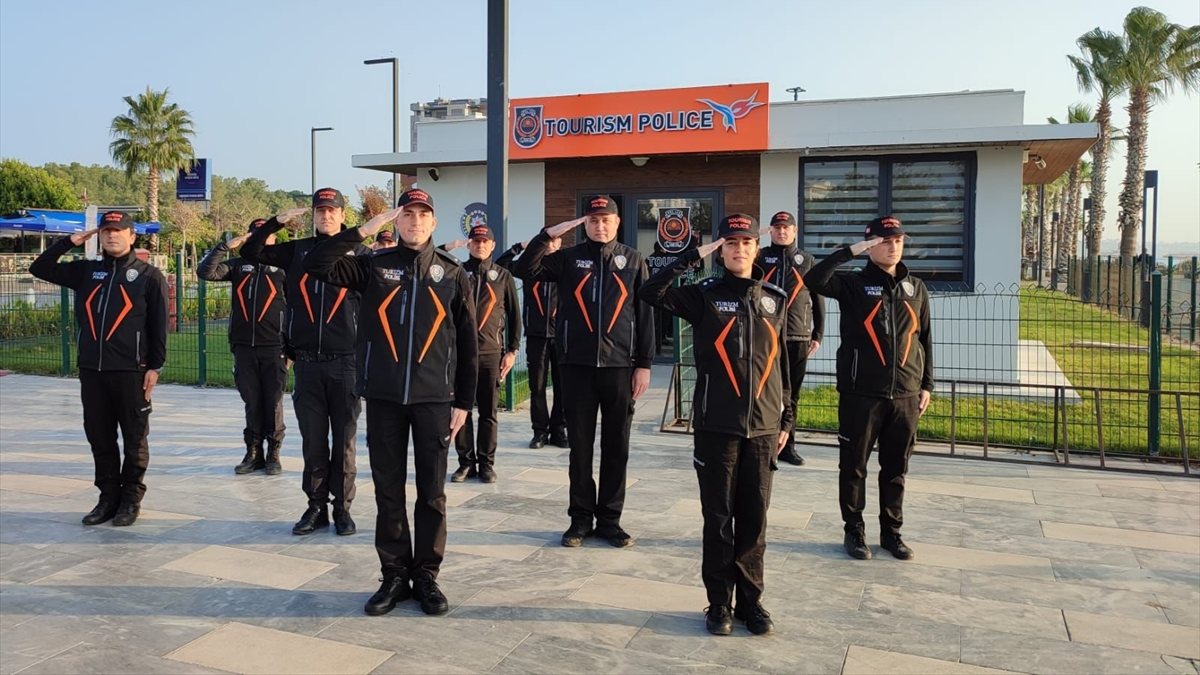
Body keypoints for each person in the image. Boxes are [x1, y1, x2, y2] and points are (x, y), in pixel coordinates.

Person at [303, 188, 477, 617]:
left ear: (433, 222)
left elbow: (469, 343)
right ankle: (394, 574)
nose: (415, 221)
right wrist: (363, 230)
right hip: (384, 398)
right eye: (407, 214)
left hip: (435, 400)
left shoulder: (452, 273)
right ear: (396, 221)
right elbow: (317, 263)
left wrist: (464, 402)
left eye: (423, 215)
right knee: (388, 491)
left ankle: (427, 576)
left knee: (432, 493)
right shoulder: (373, 266)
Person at [640, 213, 791, 637]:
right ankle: (719, 603)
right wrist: (693, 256)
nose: (739, 249)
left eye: (746, 242)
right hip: (716, 427)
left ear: (756, 248)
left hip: (763, 428)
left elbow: (781, 362)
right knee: (719, 519)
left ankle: (751, 603)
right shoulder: (703, 295)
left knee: (755, 521)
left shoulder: (774, 299)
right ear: (721, 251)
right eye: (730, 243)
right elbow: (651, 291)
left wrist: (787, 417)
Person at [514, 195, 654, 549]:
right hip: (576, 366)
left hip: (620, 367)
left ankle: (610, 521)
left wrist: (644, 364)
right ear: (584, 224)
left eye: (606, 219)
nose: (600, 225)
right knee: (580, 447)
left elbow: (645, 315)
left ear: (617, 222)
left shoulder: (633, 260)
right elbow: (524, 269)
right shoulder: (568, 259)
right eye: (593, 220)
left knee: (616, 446)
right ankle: (580, 519)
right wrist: (547, 235)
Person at [803, 215, 933, 561]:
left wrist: (926, 384)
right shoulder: (853, 285)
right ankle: (854, 531)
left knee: (896, 470)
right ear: (871, 244)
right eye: (885, 241)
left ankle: (892, 533)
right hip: (860, 394)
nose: (893, 247)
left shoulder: (915, 288)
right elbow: (813, 279)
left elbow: (925, 339)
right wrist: (851, 251)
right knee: (854, 467)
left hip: (905, 395)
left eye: (898, 241)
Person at [29, 211, 168, 527]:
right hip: (92, 371)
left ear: (132, 235)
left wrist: (155, 367)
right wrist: (69, 241)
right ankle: (107, 499)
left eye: (118, 230)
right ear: (99, 236)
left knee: (134, 439)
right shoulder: (86, 271)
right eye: (106, 231)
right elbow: (39, 268)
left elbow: (158, 326)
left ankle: (130, 500)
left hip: (132, 372)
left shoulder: (148, 276)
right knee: (100, 438)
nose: (111, 235)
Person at [242, 189, 365, 537]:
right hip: (308, 363)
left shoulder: (361, 254)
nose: (326, 215)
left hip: (346, 363)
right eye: (320, 210)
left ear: (342, 215)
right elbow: (250, 251)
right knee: (313, 441)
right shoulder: (297, 251)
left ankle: (342, 508)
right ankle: (316, 506)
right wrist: (275, 223)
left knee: (344, 442)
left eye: (332, 210)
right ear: (313, 215)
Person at [196, 218, 289, 475]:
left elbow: (296, 307)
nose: (262, 238)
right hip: (243, 345)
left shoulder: (284, 267)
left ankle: (273, 454)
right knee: (252, 400)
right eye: (255, 234)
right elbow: (206, 272)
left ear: (274, 238)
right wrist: (224, 247)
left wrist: (290, 348)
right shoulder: (238, 266)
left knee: (273, 402)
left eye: (266, 234)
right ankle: (253, 452)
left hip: (274, 346)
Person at [440, 225, 519, 483]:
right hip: (460, 355)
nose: (480, 245)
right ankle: (466, 463)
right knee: (460, 410)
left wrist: (512, 350)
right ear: (469, 244)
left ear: (492, 245)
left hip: (490, 353)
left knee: (488, 412)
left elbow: (514, 316)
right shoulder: (457, 272)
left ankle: (486, 463)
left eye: (485, 241)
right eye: (476, 241)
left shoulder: (503, 275)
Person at [756, 211, 824, 466]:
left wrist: (818, 334)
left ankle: (788, 446)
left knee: (792, 394)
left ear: (795, 231)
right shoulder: (760, 257)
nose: (782, 231)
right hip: (767, 336)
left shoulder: (807, 260)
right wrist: (754, 235)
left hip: (798, 337)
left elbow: (818, 298)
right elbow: (725, 263)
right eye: (777, 228)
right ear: (771, 231)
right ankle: (765, 444)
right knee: (766, 392)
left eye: (786, 227)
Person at [495, 238, 568, 450]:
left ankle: (559, 429)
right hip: (536, 335)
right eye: (546, 241)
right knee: (537, 386)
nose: (550, 245)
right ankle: (540, 431)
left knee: (563, 386)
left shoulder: (565, 266)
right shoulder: (528, 267)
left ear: (559, 244)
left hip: (561, 335)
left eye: (553, 241)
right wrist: (520, 247)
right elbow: (501, 265)